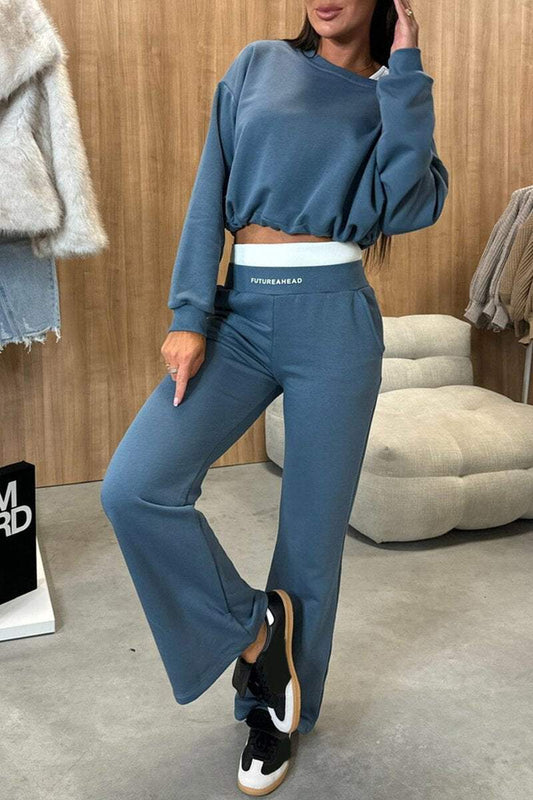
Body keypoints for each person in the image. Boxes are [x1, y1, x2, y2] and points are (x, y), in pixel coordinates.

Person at [100, 0, 449, 794]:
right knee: (135, 487)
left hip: (335, 322)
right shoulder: (258, 65)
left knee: (309, 541)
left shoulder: (391, 94)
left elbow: (408, 202)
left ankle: (274, 716)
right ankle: (259, 636)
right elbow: (209, 190)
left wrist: (405, 69)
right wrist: (189, 312)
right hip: (241, 314)